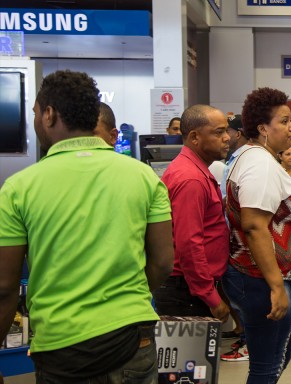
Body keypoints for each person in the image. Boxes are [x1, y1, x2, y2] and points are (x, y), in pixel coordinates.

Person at [0, 70, 174, 383]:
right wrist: (125, 299)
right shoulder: (145, 177)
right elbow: (162, 262)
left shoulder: (18, 188)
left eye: (36, 113)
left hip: (62, 347)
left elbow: (4, 285)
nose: (36, 120)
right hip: (133, 339)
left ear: (49, 115)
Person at [222, 87, 291, 382]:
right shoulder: (259, 164)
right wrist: (276, 286)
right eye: (284, 121)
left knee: (277, 356)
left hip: (262, 275)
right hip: (261, 278)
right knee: (265, 367)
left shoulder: (256, 158)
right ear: (263, 128)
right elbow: (253, 225)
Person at [154, 105, 231, 324]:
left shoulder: (195, 170)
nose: (226, 138)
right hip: (187, 292)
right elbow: (189, 244)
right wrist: (212, 298)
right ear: (195, 137)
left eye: (226, 131)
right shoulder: (191, 179)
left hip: (189, 288)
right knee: (194, 359)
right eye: (218, 132)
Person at [219, 113, 251, 362]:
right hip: (232, 239)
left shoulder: (245, 160)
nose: (224, 137)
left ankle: (249, 343)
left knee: (244, 299)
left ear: (238, 133)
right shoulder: (233, 159)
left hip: (242, 243)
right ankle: (245, 337)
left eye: (226, 131)